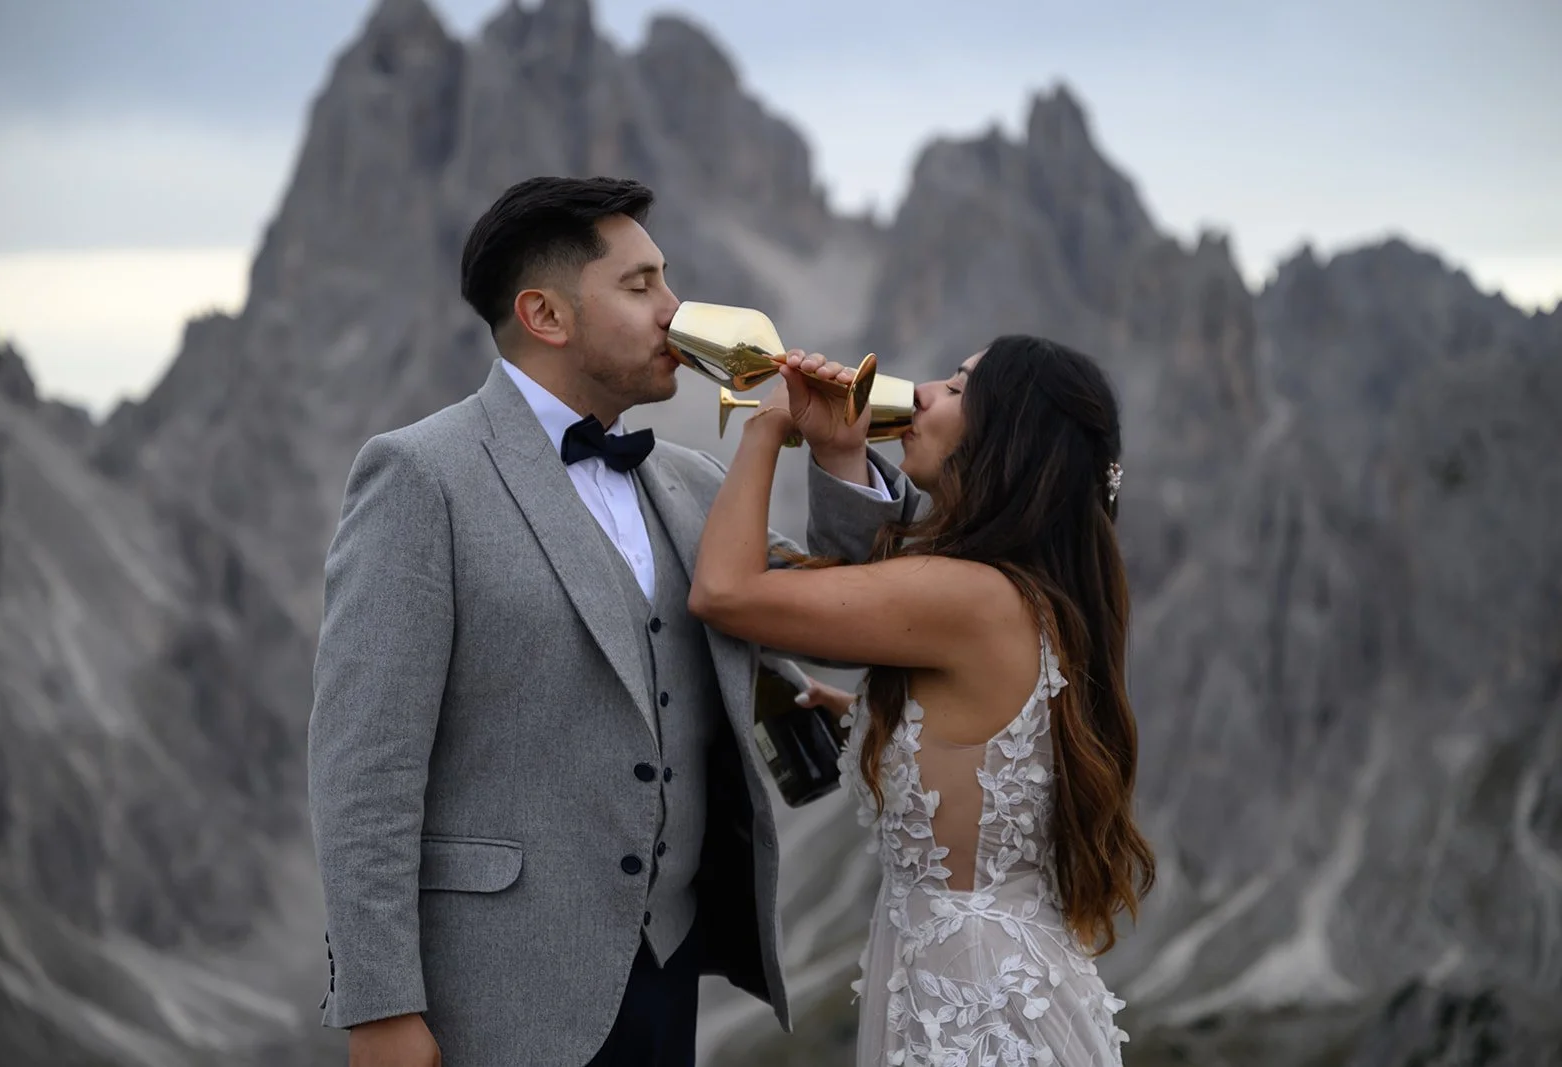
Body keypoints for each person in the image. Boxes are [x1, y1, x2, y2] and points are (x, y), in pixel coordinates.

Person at [305, 175, 899, 1067]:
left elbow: (846, 619)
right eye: (641, 285)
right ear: (545, 315)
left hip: (669, 978)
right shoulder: (420, 476)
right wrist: (381, 1005)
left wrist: (840, 454)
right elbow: (365, 763)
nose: (675, 310)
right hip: (491, 1000)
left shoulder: (697, 483)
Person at [688, 337, 1157, 1066]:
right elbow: (971, 752)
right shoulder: (1028, 592)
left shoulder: (969, 595)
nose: (925, 393)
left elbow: (723, 591)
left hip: (973, 1005)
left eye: (960, 387)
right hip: (979, 981)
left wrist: (768, 426)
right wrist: (842, 456)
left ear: (1009, 437)